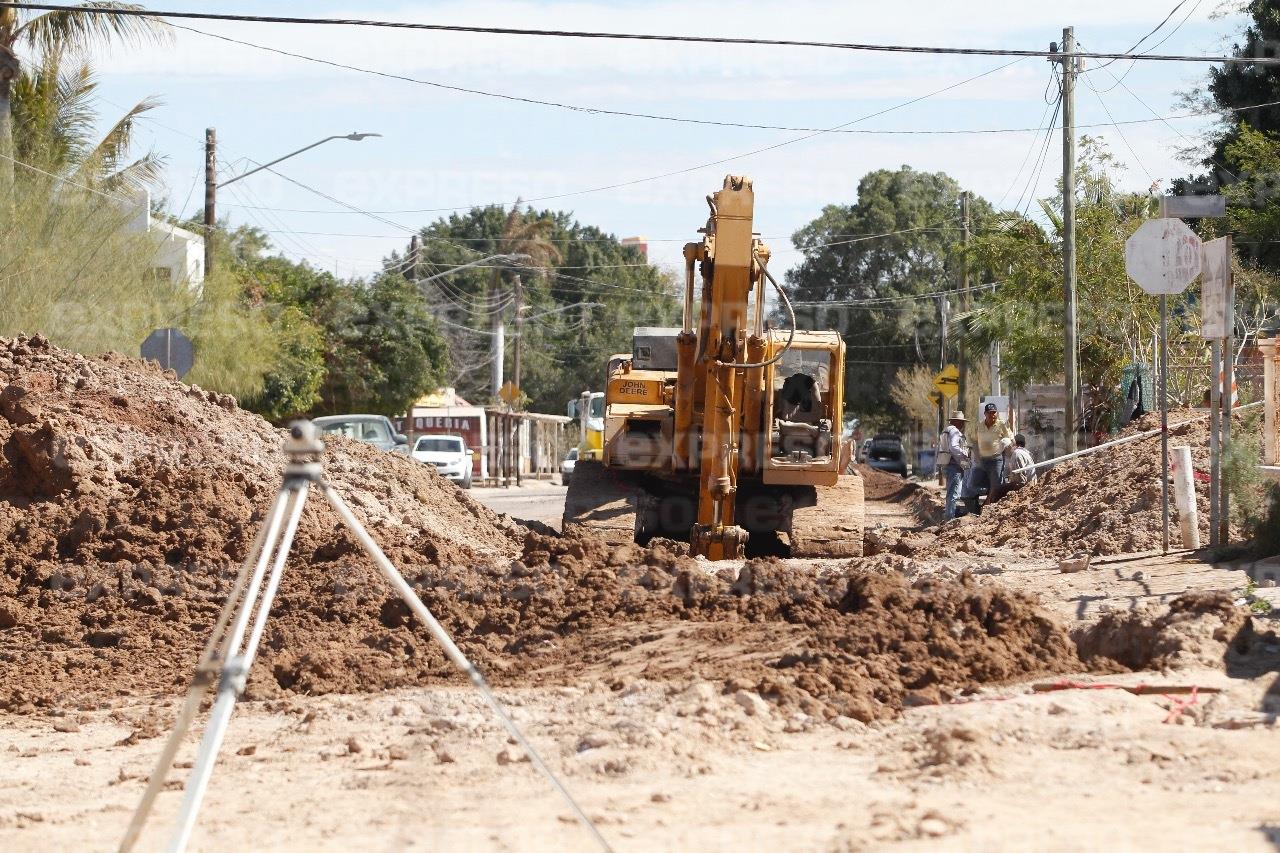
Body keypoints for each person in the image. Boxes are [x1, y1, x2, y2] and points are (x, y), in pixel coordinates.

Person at [961, 402, 1014, 515]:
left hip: (996, 460)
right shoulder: (979, 426)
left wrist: (1007, 445)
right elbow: (973, 441)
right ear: (985, 414)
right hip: (982, 461)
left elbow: (1010, 439)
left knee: (997, 487)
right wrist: (977, 456)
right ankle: (989, 493)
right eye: (990, 413)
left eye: (994, 412)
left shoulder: (1002, 425)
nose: (992, 415)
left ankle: (993, 511)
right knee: (972, 484)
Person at [937, 411, 970, 520]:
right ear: (957, 422)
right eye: (961, 422)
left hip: (946, 464)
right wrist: (964, 456)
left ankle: (949, 515)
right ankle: (950, 518)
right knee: (954, 494)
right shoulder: (954, 431)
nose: (962, 425)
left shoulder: (945, 431)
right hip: (954, 466)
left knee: (951, 492)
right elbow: (954, 447)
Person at [989, 433, 1036, 504]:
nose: (1004, 453)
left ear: (1010, 446)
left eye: (1005, 450)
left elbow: (1021, 480)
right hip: (1029, 483)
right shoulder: (1024, 452)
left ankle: (993, 510)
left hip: (1026, 486)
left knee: (997, 490)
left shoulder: (1017, 454)